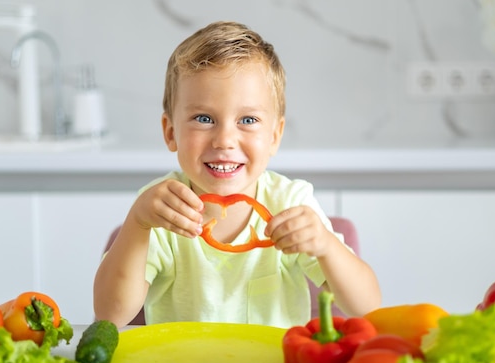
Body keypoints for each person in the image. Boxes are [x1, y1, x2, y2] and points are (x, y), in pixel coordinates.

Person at [94, 21, 381, 328]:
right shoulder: (160, 208)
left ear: (274, 135)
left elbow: (368, 309)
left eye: (247, 119)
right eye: (203, 119)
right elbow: (110, 315)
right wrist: (138, 223)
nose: (224, 140)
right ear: (170, 131)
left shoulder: (289, 201)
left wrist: (325, 245)